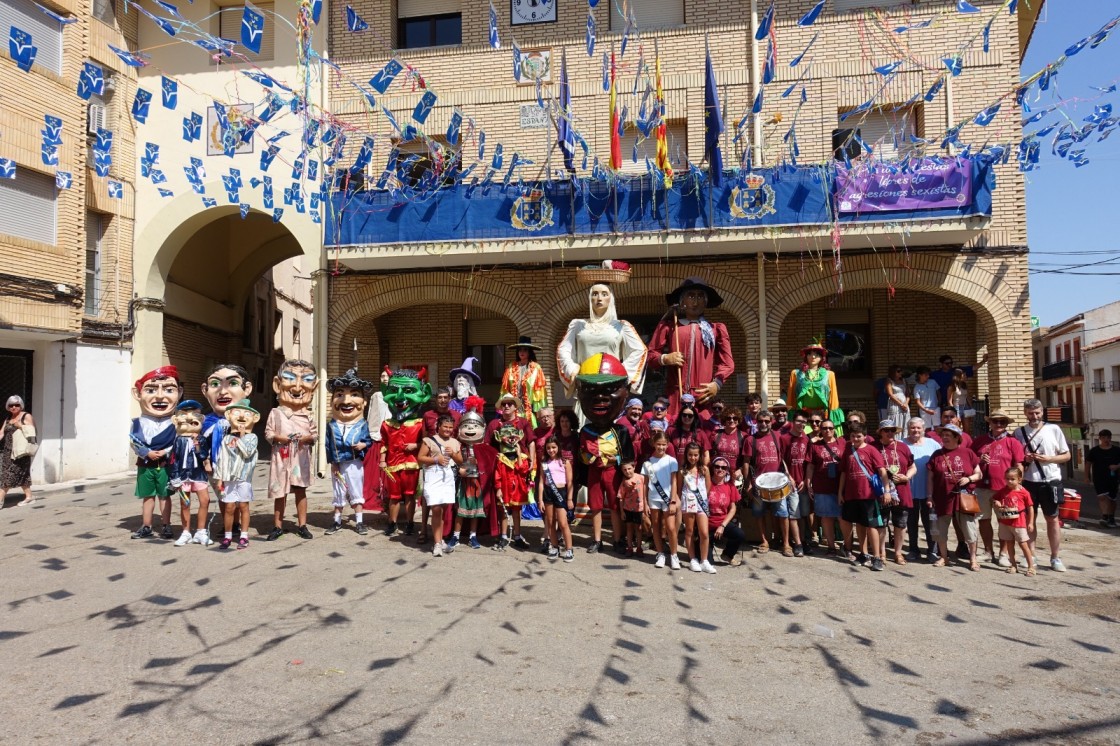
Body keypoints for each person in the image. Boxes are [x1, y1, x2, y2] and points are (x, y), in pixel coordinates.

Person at [648, 277, 735, 421]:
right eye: (691, 296)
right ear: (682, 301)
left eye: (700, 296)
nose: (695, 302)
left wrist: (717, 384)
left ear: (706, 302)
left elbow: (728, 363)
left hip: (702, 397)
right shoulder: (669, 327)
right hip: (675, 396)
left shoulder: (716, 329)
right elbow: (651, 356)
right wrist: (665, 358)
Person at [575, 353, 636, 554]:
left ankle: (618, 539)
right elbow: (580, 456)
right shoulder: (585, 431)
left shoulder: (621, 431)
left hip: (612, 473)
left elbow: (629, 458)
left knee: (615, 506)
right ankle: (597, 539)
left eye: (608, 390)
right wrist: (586, 457)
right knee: (595, 507)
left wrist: (616, 459)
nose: (600, 397)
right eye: (592, 390)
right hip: (594, 473)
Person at [556, 282, 648, 403]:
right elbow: (563, 349)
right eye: (595, 294)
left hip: (610, 384)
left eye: (604, 294)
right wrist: (572, 368)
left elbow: (640, 350)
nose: (599, 298)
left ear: (611, 298)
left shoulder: (621, 326)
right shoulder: (578, 325)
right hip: (586, 383)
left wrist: (621, 371)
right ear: (590, 298)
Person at [1014, 399, 1071, 572]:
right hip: (1029, 481)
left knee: (1052, 519)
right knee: (1029, 520)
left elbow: (1066, 455)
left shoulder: (1054, 429)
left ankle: (1055, 557)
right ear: (1025, 413)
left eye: (1037, 412)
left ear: (1042, 412)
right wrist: (1026, 460)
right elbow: (1017, 459)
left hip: (1050, 480)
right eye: (1031, 413)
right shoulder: (1019, 432)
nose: (1034, 416)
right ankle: (1031, 556)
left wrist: (1050, 459)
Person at [265, 359, 318, 541]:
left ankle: (302, 525)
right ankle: (277, 525)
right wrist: (282, 439)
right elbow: (269, 433)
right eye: (289, 378)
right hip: (281, 457)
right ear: (277, 384)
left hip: (300, 459)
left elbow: (314, 435)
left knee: (300, 491)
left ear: (314, 386)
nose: (297, 387)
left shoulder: (308, 415)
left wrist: (305, 439)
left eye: (306, 380)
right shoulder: (275, 413)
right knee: (280, 492)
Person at [129, 366, 183, 539]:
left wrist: (166, 452)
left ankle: (166, 525)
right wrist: (146, 453)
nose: (160, 396)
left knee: (165, 496)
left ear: (179, 393)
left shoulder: (177, 423)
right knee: (148, 496)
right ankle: (146, 526)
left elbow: (178, 442)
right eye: (151, 390)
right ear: (137, 394)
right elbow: (134, 441)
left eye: (168, 390)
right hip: (145, 465)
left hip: (166, 465)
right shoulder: (137, 422)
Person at [381, 367, 432, 538]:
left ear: (424, 394)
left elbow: (426, 444)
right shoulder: (387, 424)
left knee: (410, 496)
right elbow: (384, 444)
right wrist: (382, 460)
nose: (400, 397)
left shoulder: (420, 423)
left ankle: (410, 523)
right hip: (393, 464)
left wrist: (416, 445)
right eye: (394, 390)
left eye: (408, 391)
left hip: (411, 464)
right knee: (393, 496)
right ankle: (392, 523)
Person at [324, 369, 374, 536]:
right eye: (339, 395)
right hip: (338, 463)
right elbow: (327, 445)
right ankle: (336, 520)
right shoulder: (331, 426)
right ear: (332, 401)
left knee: (355, 489)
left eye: (353, 395)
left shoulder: (362, 424)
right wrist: (332, 463)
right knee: (338, 490)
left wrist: (363, 445)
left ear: (364, 402)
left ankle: (359, 521)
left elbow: (368, 441)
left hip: (354, 462)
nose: (346, 401)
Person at [972, 410, 1025, 566]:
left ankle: (1004, 553)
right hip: (982, 487)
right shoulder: (979, 440)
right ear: (990, 423)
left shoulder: (1013, 442)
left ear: (1007, 424)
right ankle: (988, 552)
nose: (999, 424)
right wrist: (979, 458)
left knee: (1005, 521)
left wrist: (1018, 485)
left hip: (1003, 489)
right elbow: (970, 459)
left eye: (1002, 422)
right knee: (983, 520)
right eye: (995, 421)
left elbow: (1019, 465)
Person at [927, 424, 983, 571]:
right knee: (941, 530)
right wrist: (929, 496)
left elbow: (979, 474)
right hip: (942, 498)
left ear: (957, 437)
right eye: (943, 435)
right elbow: (930, 478)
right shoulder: (937, 454)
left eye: (948, 435)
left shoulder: (968, 453)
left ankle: (973, 559)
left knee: (969, 529)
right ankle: (944, 557)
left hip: (964, 498)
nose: (944, 438)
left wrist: (969, 479)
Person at [838, 424, 890, 571]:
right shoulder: (848, 450)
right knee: (859, 524)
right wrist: (840, 493)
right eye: (853, 436)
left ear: (865, 436)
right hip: (852, 494)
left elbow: (882, 471)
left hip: (868, 494)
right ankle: (864, 553)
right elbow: (843, 473)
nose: (855, 438)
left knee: (872, 526)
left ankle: (877, 557)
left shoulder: (871, 450)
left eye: (858, 436)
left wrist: (887, 491)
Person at [451, 396, 498, 550]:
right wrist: (459, 470)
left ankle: (473, 536)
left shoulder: (487, 449)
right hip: (462, 483)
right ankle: (456, 536)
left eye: (474, 426)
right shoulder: (458, 446)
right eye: (467, 426)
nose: (470, 429)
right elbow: (452, 463)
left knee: (476, 511)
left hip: (478, 484)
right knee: (460, 510)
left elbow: (493, 464)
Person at [215, 399, 260, 549]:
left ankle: (244, 536)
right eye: (237, 413)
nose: (241, 417)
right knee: (229, 507)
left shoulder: (252, 438)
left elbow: (247, 453)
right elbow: (222, 459)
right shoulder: (227, 439)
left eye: (246, 413)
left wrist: (241, 437)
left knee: (243, 506)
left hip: (243, 478)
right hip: (229, 478)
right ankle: (228, 536)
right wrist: (219, 478)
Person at [743, 410, 789, 554]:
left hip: (777, 483)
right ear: (756, 422)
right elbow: (746, 463)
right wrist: (748, 483)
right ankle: (764, 541)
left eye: (766, 421)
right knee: (759, 513)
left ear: (771, 422)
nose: (763, 424)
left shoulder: (778, 436)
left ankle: (786, 543)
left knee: (782, 513)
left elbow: (783, 458)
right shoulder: (751, 440)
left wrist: (788, 476)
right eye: (760, 421)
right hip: (759, 484)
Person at [168, 401, 212, 546]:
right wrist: (174, 476)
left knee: (205, 500)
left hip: (198, 474)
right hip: (183, 476)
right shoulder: (178, 440)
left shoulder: (201, 439)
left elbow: (203, 456)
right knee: (185, 504)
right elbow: (174, 459)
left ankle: (201, 532)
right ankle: (186, 532)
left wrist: (198, 446)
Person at [418, 414, 461, 557]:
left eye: (450, 427)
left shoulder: (455, 442)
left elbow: (460, 460)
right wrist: (436, 459)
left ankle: (440, 540)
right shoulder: (429, 440)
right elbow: (420, 458)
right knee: (435, 508)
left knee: (442, 509)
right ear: (439, 426)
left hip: (447, 477)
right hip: (433, 475)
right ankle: (437, 544)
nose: (448, 429)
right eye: (445, 427)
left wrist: (453, 454)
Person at [875, 420, 915, 565]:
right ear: (881, 432)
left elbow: (913, 467)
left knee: (901, 523)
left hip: (902, 490)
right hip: (881, 491)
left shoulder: (903, 447)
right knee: (881, 524)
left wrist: (907, 476)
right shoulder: (874, 447)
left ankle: (898, 553)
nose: (890, 433)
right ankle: (882, 553)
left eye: (892, 430)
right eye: (887, 430)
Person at [805, 418, 845, 555]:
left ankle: (848, 546)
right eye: (824, 428)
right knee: (826, 518)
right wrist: (808, 482)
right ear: (820, 430)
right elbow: (810, 466)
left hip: (841, 486)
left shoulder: (843, 442)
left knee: (843, 518)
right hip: (822, 486)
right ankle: (831, 546)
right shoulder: (815, 445)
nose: (827, 430)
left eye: (830, 428)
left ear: (834, 429)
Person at [642, 431, 680, 570]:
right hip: (653, 498)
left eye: (664, 445)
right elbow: (645, 484)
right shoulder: (648, 463)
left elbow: (674, 482)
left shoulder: (671, 460)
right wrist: (645, 502)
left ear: (667, 444)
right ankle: (660, 554)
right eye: (659, 444)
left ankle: (674, 555)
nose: (661, 447)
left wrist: (673, 501)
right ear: (654, 444)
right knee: (656, 526)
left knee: (670, 528)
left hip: (668, 498)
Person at [788, 339, 843, 435]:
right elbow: (791, 398)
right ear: (806, 356)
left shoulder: (829, 374)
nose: (813, 356)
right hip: (803, 417)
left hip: (822, 417)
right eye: (810, 354)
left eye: (817, 354)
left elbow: (833, 398)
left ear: (822, 357)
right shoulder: (796, 374)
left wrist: (833, 421)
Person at [903, 417, 940, 562]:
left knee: (930, 522)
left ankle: (933, 550)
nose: (915, 430)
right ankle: (913, 550)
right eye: (912, 428)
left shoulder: (933, 444)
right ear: (908, 429)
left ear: (923, 429)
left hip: (929, 492)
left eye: (918, 428)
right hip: (909, 491)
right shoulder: (901, 444)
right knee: (911, 523)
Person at [677, 442, 717, 574]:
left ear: (699, 455)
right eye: (690, 455)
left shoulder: (704, 469)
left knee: (704, 533)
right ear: (686, 455)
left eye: (695, 455)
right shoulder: (682, 471)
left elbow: (708, 486)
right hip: (688, 503)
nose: (693, 458)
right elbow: (678, 488)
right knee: (689, 531)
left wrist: (701, 498)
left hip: (701, 503)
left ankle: (704, 560)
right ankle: (693, 559)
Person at [993, 466, 1036, 575]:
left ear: (1019, 479)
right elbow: (995, 498)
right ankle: (1013, 565)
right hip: (1006, 521)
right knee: (1009, 543)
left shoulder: (1024, 492)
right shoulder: (1003, 490)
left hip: (1019, 522)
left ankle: (1031, 566)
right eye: (1007, 479)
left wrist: (1030, 522)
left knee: (1023, 544)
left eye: (1012, 479)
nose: (1009, 481)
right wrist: (997, 503)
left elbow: (1030, 507)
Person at [538, 436, 574, 562]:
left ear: (558, 447)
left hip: (561, 492)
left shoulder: (565, 462)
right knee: (551, 522)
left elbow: (570, 482)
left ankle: (569, 549)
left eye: (553, 447)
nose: (551, 450)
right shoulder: (544, 462)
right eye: (548, 448)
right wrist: (540, 499)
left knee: (563, 523)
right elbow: (541, 482)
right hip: (548, 493)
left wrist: (569, 499)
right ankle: (554, 547)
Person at [500, 337, 548, 428]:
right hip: (513, 410)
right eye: (520, 350)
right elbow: (505, 389)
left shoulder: (536, 368)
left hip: (529, 411)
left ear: (529, 352)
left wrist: (539, 412)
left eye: (525, 350)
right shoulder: (511, 367)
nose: (522, 352)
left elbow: (539, 392)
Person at [784, 410, 812, 556]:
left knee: (803, 514)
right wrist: (789, 477)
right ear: (793, 421)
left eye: (804, 422)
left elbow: (809, 463)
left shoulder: (807, 439)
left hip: (803, 483)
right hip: (791, 483)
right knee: (794, 514)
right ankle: (798, 544)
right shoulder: (785, 438)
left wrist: (806, 481)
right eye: (799, 421)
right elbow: (781, 460)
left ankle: (803, 540)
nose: (802, 424)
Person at [707, 456, 744, 566]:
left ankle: (727, 554)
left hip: (722, 522)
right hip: (706, 524)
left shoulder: (730, 486)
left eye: (723, 467)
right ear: (713, 468)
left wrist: (722, 526)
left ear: (727, 470)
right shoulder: (706, 484)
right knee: (707, 562)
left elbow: (733, 508)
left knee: (739, 534)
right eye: (717, 466)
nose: (720, 469)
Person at [1, 395, 36, 507]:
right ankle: (29, 497)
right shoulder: (8, 419)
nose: (14, 407)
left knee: (8, 475)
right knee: (22, 475)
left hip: (20, 452)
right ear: (8, 407)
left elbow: (32, 432)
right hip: (8, 451)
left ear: (21, 406)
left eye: (17, 405)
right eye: (11, 405)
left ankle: (0, 499)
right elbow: (2, 432)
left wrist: (20, 426)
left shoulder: (26, 416)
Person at [1086, 429, 1120, 528]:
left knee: (1112, 499)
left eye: (1108, 438)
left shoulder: (1117, 450)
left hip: (1113, 478)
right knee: (1102, 497)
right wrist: (1086, 477)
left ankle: (1111, 517)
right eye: (1104, 438)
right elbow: (1088, 463)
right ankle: (1105, 517)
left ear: (1111, 438)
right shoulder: (1094, 451)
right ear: (1100, 438)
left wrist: (1117, 466)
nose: (1106, 440)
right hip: (1099, 478)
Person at [668, 404, 711, 469]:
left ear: (694, 417)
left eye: (690, 416)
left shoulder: (700, 433)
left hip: (694, 471)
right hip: (674, 470)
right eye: (684, 415)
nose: (687, 417)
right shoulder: (671, 431)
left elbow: (706, 455)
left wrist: (702, 470)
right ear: (680, 416)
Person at [616, 461, 646, 556]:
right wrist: (622, 512)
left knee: (639, 528)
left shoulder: (641, 478)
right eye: (624, 470)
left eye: (629, 468)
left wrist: (646, 507)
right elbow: (621, 497)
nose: (627, 471)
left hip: (639, 508)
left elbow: (646, 492)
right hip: (628, 508)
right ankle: (629, 547)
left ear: (634, 467)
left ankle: (639, 547)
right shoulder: (624, 482)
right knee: (629, 528)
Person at [948, 368, 975, 434]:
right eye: (964, 375)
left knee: (967, 428)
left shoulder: (964, 385)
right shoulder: (952, 387)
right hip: (956, 407)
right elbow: (949, 401)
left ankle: (967, 442)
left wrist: (971, 407)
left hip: (965, 407)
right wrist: (953, 412)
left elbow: (967, 397)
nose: (965, 376)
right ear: (959, 375)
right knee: (957, 427)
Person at [884, 365, 909, 430]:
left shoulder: (904, 381)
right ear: (893, 372)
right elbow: (890, 394)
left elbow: (908, 394)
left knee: (905, 422)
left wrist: (906, 404)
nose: (900, 372)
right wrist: (900, 404)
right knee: (896, 422)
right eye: (898, 371)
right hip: (895, 404)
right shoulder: (889, 381)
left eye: (901, 371)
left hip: (904, 405)